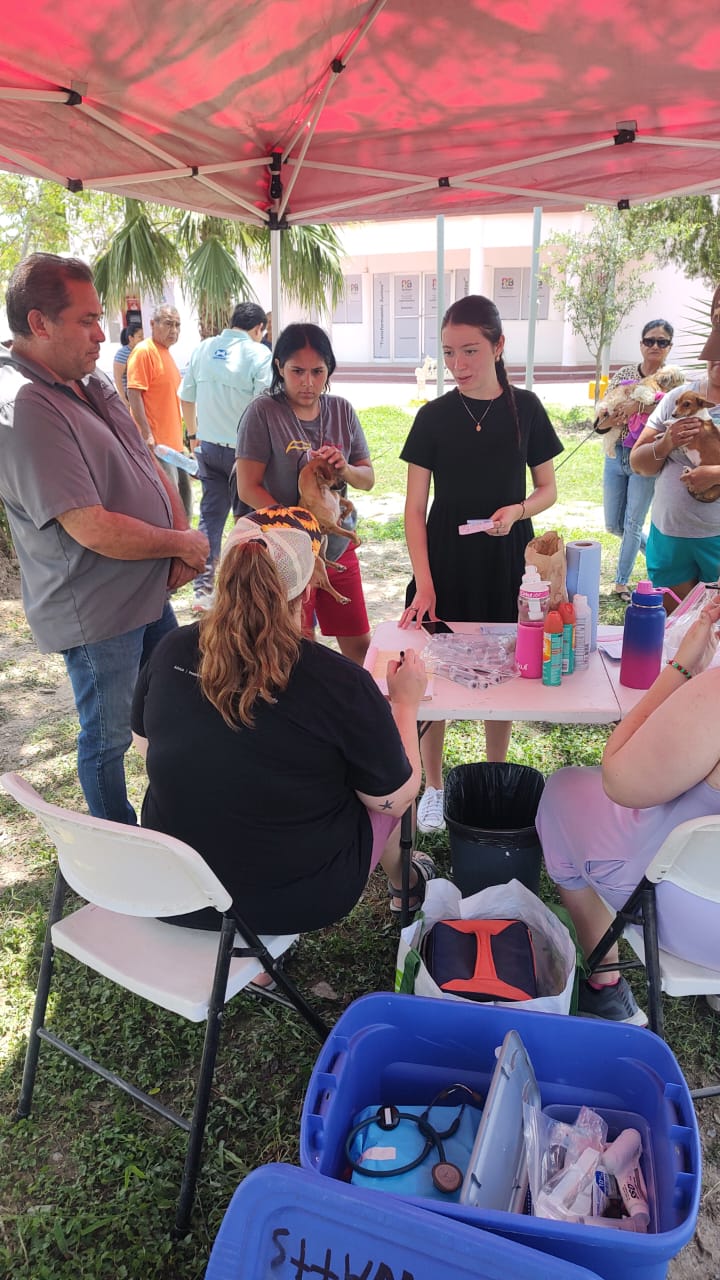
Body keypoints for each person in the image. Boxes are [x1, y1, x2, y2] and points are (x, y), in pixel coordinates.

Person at [131, 520, 436, 933]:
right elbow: (394, 800)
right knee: (376, 785)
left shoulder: (173, 649)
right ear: (307, 593)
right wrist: (405, 703)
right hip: (291, 902)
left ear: (226, 584)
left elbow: (144, 746)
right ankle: (406, 883)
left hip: (171, 889)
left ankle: (253, 967)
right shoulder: (339, 681)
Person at [0, 253, 209, 824]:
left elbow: (144, 455)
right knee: (108, 738)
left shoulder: (87, 377)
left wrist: (181, 534)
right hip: (98, 610)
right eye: (87, 320)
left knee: (172, 708)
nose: (103, 334)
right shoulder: (24, 404)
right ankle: (122, 851)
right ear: (40, 323)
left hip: (146, 591)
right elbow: (88, 526)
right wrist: (178, 545)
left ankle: (174, 820)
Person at [399, 294, 563, 833]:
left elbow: (547, 490)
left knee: (506, 666)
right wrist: (425, 584)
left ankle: (495, 773)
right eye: (449, 353)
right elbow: (414, 509)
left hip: (506, 557)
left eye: (470, 351)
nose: (459, 365)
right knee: (434, 673)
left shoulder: (527, 409)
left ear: (498, 346)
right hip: (446, 558)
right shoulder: (433, 417)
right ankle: (435, 785)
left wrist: (516, 511)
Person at [536, 597, 720, 1024]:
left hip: (690, 922)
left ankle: (604, 982)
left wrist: (681, 669)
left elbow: (618, 778)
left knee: (563, 791)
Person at [235, 322, 375, 665]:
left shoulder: (341, 409)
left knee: (358, 643)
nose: (308, 382)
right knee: (292, 646)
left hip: (335, 548)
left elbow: (367, 479)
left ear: (329, 370)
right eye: (297, 371)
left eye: (318, 371)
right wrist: (299, 529)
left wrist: (344, 469)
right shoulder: (263, 412)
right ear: (279, 367)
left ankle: (355, 712)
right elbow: (247, 487)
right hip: (283, 553)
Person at [179, 302, 272, 611]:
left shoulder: (203, 349)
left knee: (210, 519)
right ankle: (242, 592)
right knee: (247, 522)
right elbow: (264, 405)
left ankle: (203, 592)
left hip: (207, 447)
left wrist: (193, 437)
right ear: (259, 328)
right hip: (243, 453)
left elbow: (186, 396)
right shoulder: (259, 355)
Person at [630, 288, 720, 609]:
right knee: (673, 630)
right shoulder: (677, 398)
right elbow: (639, 462)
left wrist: (714, 473)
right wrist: (667, 442)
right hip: (671, 533)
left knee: (712, 638)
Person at [601, 319, 677, 604]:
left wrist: (640, 405)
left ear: (669, 346)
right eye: (649, 340)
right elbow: (606, 407)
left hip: (646, 456)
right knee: (615, 525)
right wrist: (611, 415)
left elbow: (673, 407)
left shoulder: (674, 379)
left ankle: (621, 582)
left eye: (662, 341)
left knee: (633, 522)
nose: (654, 346)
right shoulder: (624, 373)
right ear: (641, 343)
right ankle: (655, 553)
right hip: (616, 452)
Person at [127, 303, 193, 520]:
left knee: (184, 505)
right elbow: (134, 393)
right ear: (152, 324)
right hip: (157, 446)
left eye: (177, 325)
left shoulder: (166, 353)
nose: (174, 330)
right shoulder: (144, 352)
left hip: (174, 446)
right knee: (169, 507)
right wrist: (147, 434)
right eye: (168, 324)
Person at [112, 321, 144, 406]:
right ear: (131, 338)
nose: (143, 339)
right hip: (129, 397)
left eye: (143, 336)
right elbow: (117, 377)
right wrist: (123, 399)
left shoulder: (141, 352)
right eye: (140, 337)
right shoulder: (123, 353)